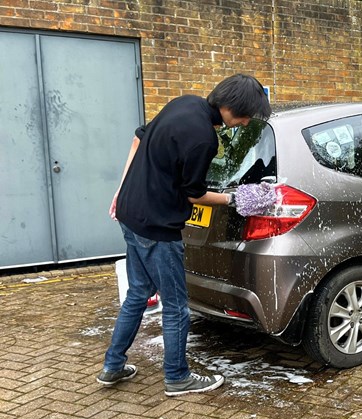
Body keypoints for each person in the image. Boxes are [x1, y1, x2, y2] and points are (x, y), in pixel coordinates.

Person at [97, 74, 272, 396]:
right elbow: (194, 195)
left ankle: (112, 366)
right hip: (158, 229)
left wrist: (122, 191)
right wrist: (237, 199)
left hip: (130, 215)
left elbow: (138, 139)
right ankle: (177, 377)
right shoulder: (203, 138)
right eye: (247, 115)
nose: (246, 122)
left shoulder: (184, 103)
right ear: (233, 107)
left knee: (137, 294)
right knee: (177, 306)